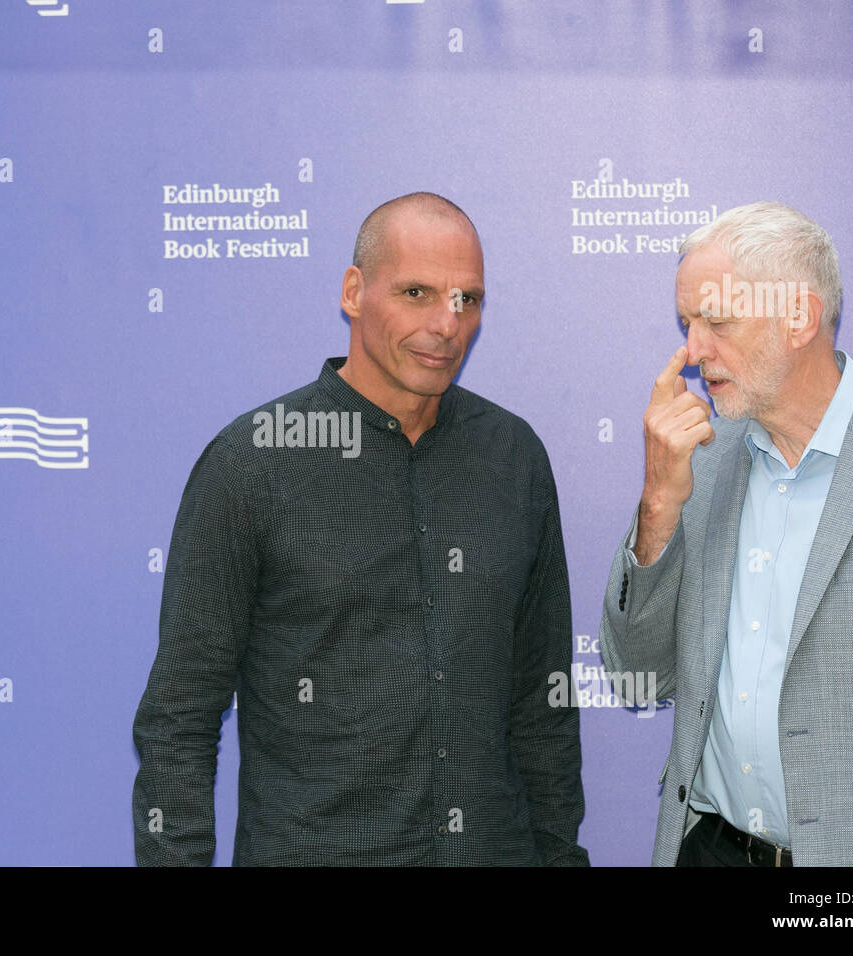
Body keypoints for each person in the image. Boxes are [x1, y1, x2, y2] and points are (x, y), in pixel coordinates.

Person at [132, 192, 588, 865]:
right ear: (354, 291)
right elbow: (179, 719)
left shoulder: (514, 457)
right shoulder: (252, 462)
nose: (446, 323)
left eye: (468, 299)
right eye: (416, 292)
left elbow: (542, 709)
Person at [599, 200, 853, 866]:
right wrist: (658, 505)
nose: (692, 352)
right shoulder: (699, 459)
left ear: (799, 316)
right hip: (707, 849)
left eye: (718, 320)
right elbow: (638, 681)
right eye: (687, 323)